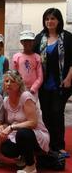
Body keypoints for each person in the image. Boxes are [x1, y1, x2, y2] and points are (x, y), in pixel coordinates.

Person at [33, 8, 72, 157]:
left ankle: (59, 145)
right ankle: (48, 144)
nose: (50, 21)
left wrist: (69, 77)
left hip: (61, 83)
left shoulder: (67, 37)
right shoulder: (39, 38)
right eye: (47, 19)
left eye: (53, 19)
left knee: (57, 112)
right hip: (43, 84)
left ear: (59, 20)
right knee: (47, 115)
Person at [0, 70, 49, 173]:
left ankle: (31, 167)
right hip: (18, 134)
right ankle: (24, 157)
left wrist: (11, 128)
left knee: (22, 133)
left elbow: (33, 123)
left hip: (36, 134)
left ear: (19, 84)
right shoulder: (5, 100)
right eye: (6, 81)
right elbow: (8, 122)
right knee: (5, 148)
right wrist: (2, 127)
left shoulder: (25, 96)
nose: (8, 84)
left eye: (12, 81)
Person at [12, 30, 43, 99]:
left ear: (33, 42)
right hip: (20, 89)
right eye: (25, 41)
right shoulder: (16, 57)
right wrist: (18, 87)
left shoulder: (37, 57)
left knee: (31, 107)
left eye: (30, 41)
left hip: (33, 91)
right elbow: (14, 75)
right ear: (21, 42)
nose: (28, 43)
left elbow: (40, 77)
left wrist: (33, 88)